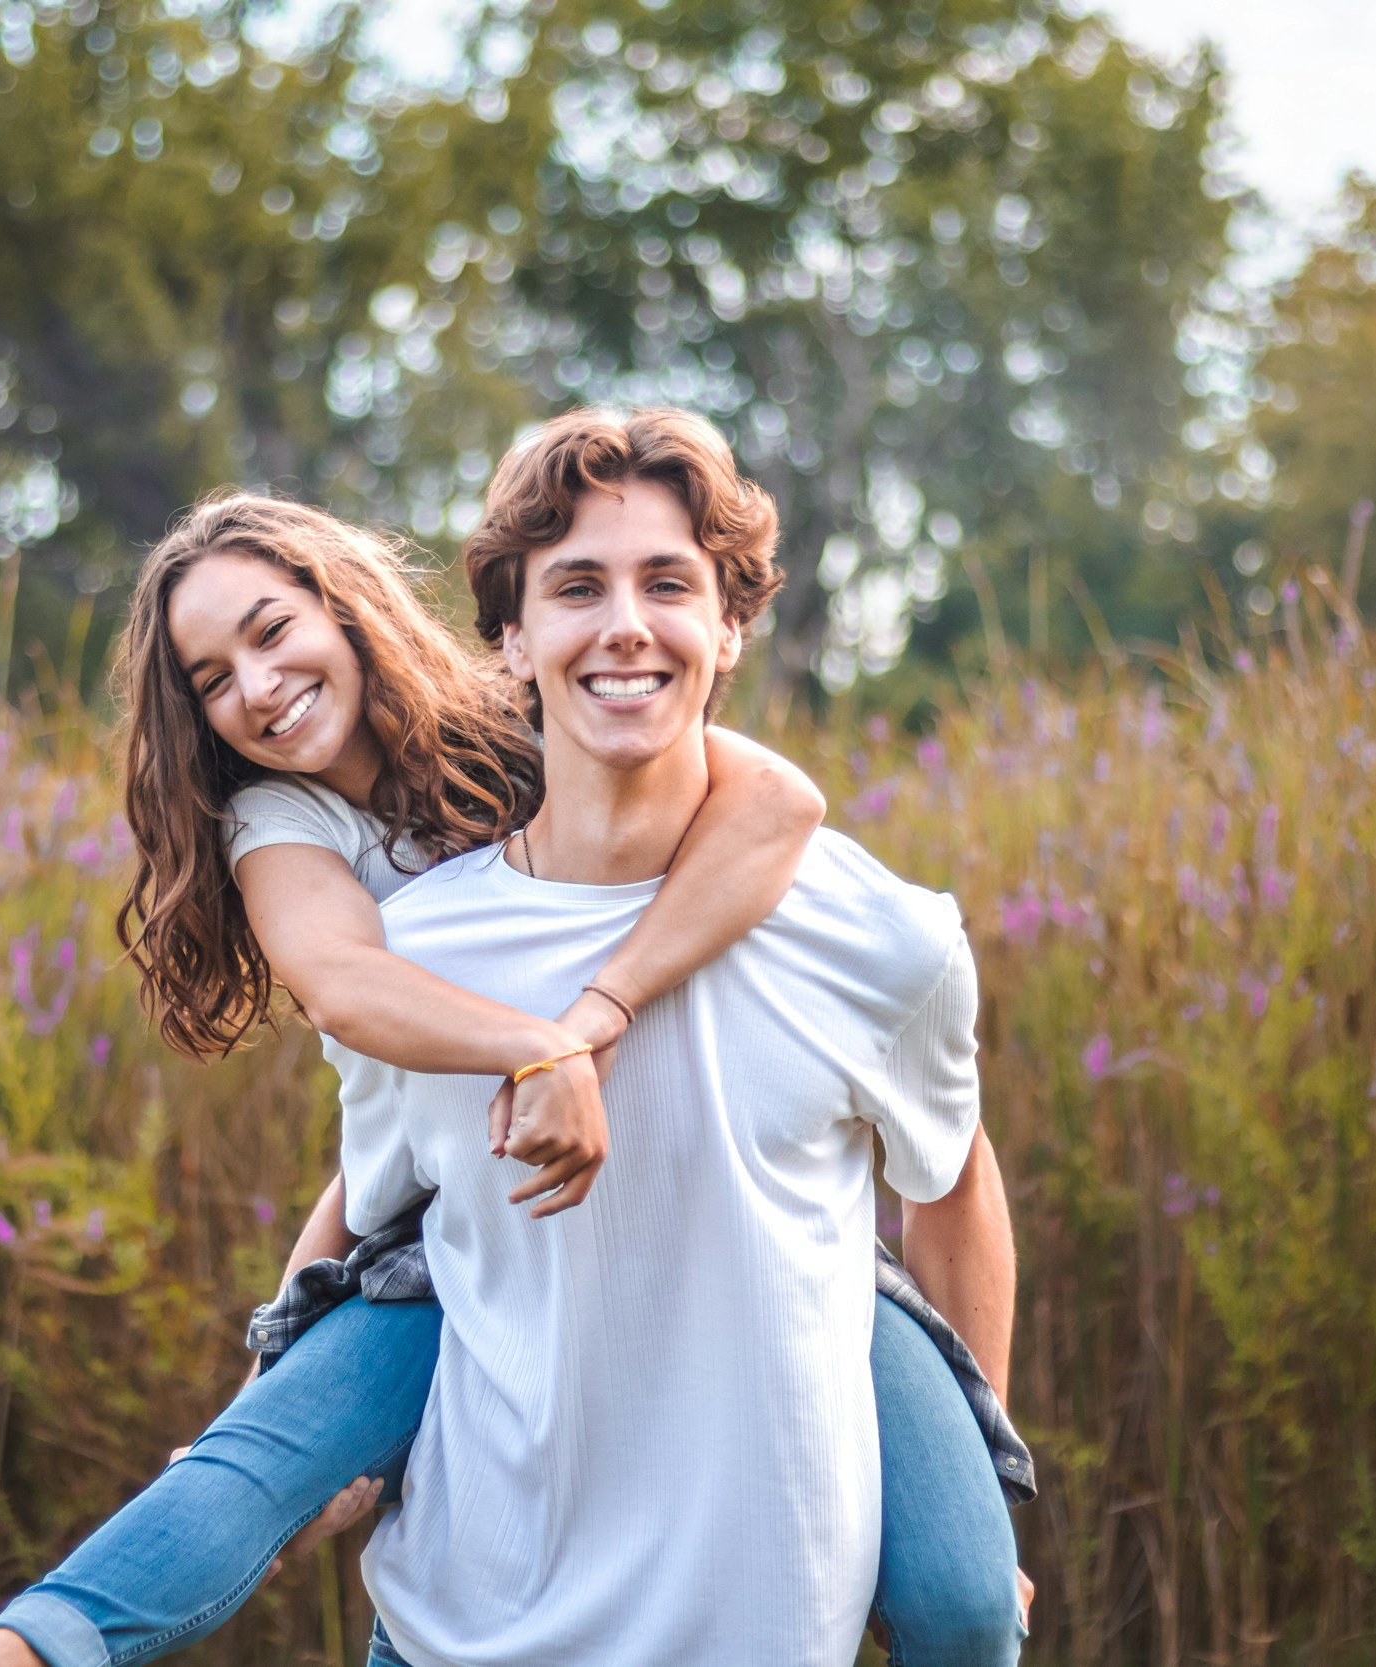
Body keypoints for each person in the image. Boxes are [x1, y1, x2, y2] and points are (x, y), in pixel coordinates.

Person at [0, 425, 1028, 1667]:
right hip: (452, 1219)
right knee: (253, 1460)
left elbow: (777, 801)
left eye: (271, 632)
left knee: (969, 1595)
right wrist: (281, 1346)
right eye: (211, 678)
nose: (256, 688)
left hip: (762, 1238)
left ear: (350, 609)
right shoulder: (286, 824)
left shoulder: (537, 709)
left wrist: (585, 1022)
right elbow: (354, 1021)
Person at [323, 407, 1011, 1664]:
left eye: (668, 584)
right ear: (513, 637)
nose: (625, 623)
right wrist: (277, 1438)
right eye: (577, 586)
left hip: (761, 1626)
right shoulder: (414, 956)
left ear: (730, 626)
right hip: (459, 1629)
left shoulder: (878, 935)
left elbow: (954, 1179)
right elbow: (366, 1222)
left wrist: (960, 1502)